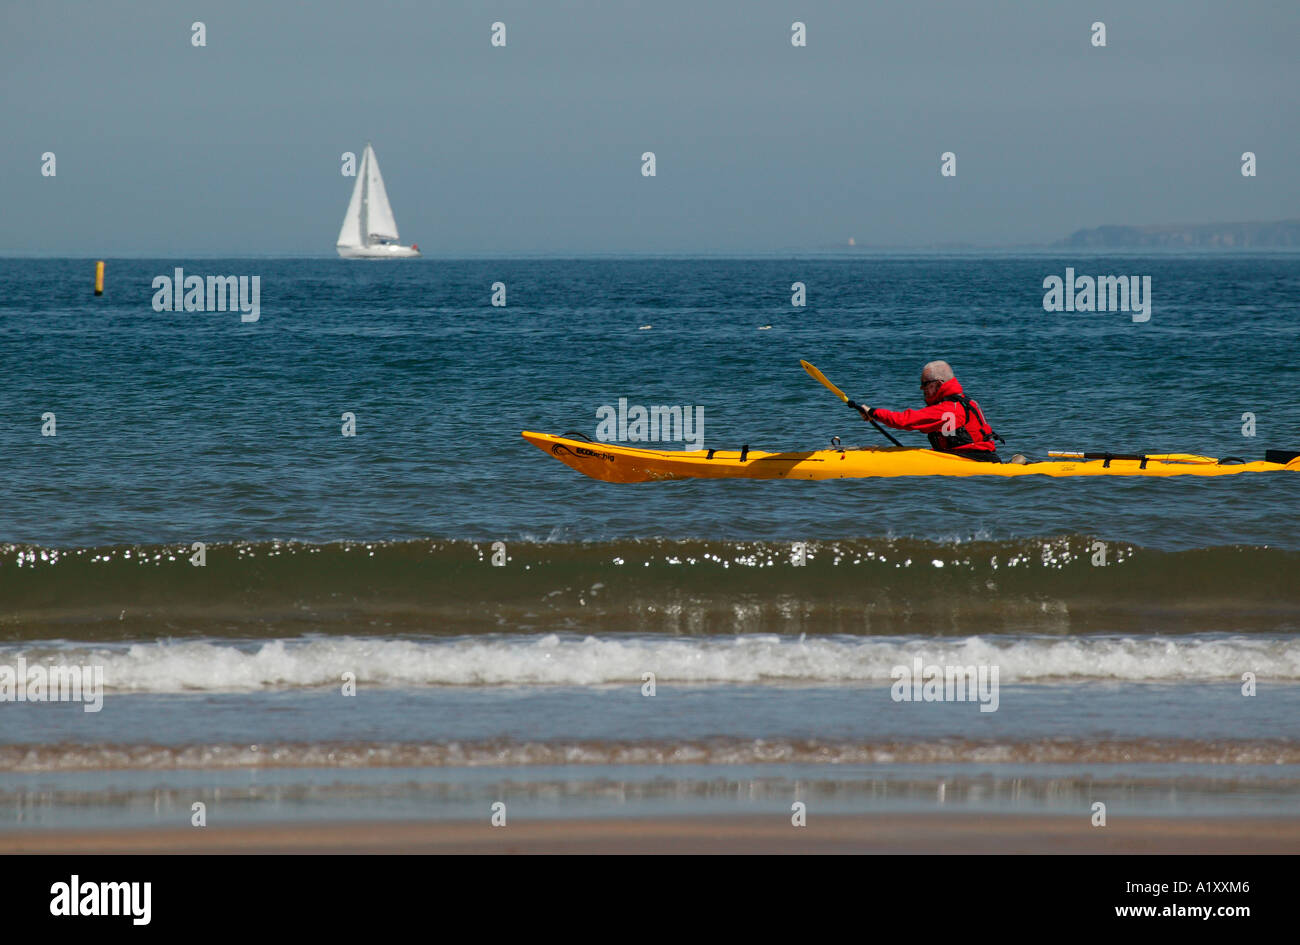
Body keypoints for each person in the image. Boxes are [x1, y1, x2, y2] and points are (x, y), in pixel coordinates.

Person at [848, 360, 1005, 462]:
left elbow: (905, 420)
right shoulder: (968, 402)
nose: (921, 388)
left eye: (925, 384)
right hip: (971, 458)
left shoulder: (948, 409)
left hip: (970, 460)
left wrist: (873, 412)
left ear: (938, 383)